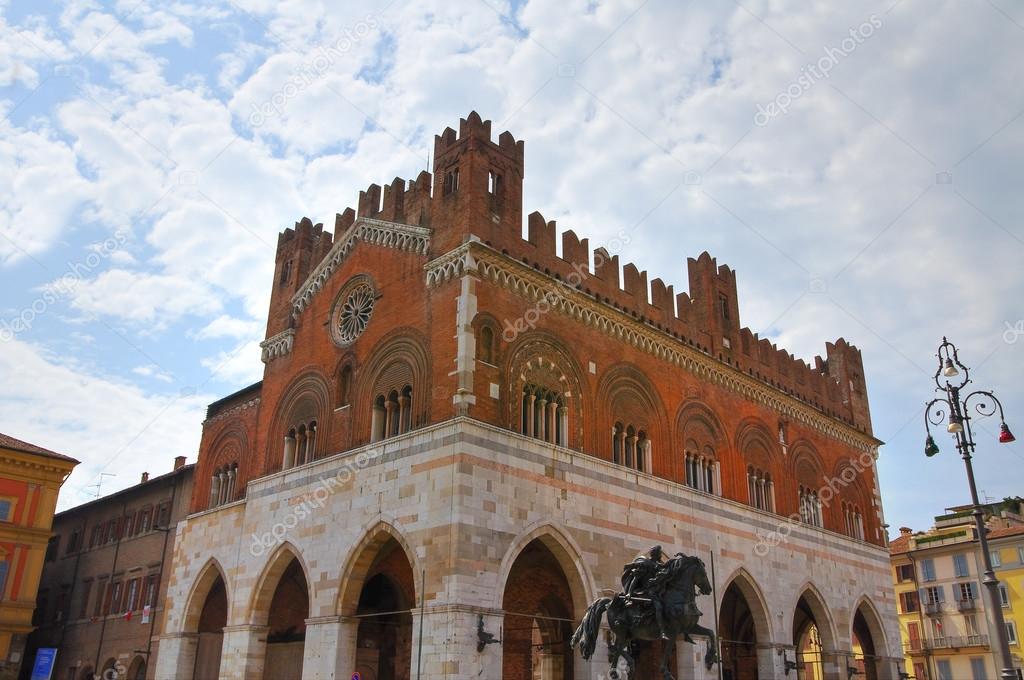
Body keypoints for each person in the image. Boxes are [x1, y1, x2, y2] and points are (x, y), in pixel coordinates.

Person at [621, 546, 670, 639]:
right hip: (648, 591)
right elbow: (636, 578)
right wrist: (629, 593)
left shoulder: (659, 565)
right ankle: (662, 630)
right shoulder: (646, 563)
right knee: (658, 606)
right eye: (659, 553)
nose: (660, 555)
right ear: (655, 553)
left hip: (658, 591)